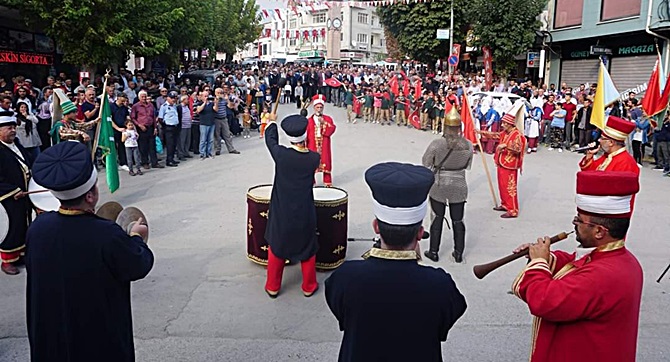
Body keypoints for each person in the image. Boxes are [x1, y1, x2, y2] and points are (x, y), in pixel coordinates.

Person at [324, 162, 467, 362]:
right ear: (420, 233)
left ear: (376, 226)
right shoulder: (440, 284)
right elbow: (445, 324)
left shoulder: (345, 277)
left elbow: (343, 317)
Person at [26, 141, 154, 361]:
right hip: (96, 341)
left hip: (52, 340)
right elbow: (138, 265)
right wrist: (136, 237)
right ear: (90, 196)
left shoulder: (38, 228)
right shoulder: (106, 234)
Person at [511, 171, 642, 362]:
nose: (574, 224)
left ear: (599, 231)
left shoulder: (603, 275)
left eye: (579, 220)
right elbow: (575, 263)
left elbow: (544, 300)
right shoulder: (616, 258)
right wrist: (546, 257)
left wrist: (538, 263)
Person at [263, 114, 320, 298]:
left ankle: (273, 285)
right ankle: (309, 285)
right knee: (307, 247)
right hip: (304, 209)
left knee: (277, 244)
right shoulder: (314, 158)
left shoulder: (281, 155)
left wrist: (272, 123)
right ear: (305, 133)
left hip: (282, 209)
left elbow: (270, 140)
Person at [422, 107, 473, 263]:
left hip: (439, 183)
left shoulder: (437, 144)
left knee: (437, 217)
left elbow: (425, 163)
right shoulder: (468, 145)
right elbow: (468, 165)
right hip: (459, 183)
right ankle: (458, 253)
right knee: (458, 220)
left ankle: (434, 251)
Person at [0, 111, 33, 275]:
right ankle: (7, 261)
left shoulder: (16, 144)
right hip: (8, 197)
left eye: (14, 127)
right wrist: (12, 191)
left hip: (23, 194)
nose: (13, 130)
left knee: (22, 225)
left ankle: (20, 255)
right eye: (8, 128)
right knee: (10, 228)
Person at [478, 111, 527, 218]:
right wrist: (480, 132)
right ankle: (505, 204)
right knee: (502, 185)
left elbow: (518, 149)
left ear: (510, 124)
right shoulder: (505, 133)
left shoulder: (517, 135)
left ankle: (513, 209)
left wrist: (506, 146)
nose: (502, 125)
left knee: (510, 187)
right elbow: (496, 135)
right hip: (502, 162)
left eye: (504, 123)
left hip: (510, 164)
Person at [306, 94, 337, 186]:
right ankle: (312, 181)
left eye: (321, 107)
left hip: (324, 143)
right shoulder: (309, 120)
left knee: (326, 160)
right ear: (314, 108)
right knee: (312, 163)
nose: (319, 109)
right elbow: (306, 133)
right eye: (317, 107)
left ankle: (327, 181)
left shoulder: (328, 119)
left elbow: (332, 129)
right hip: (312, 143)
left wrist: (324, 123)